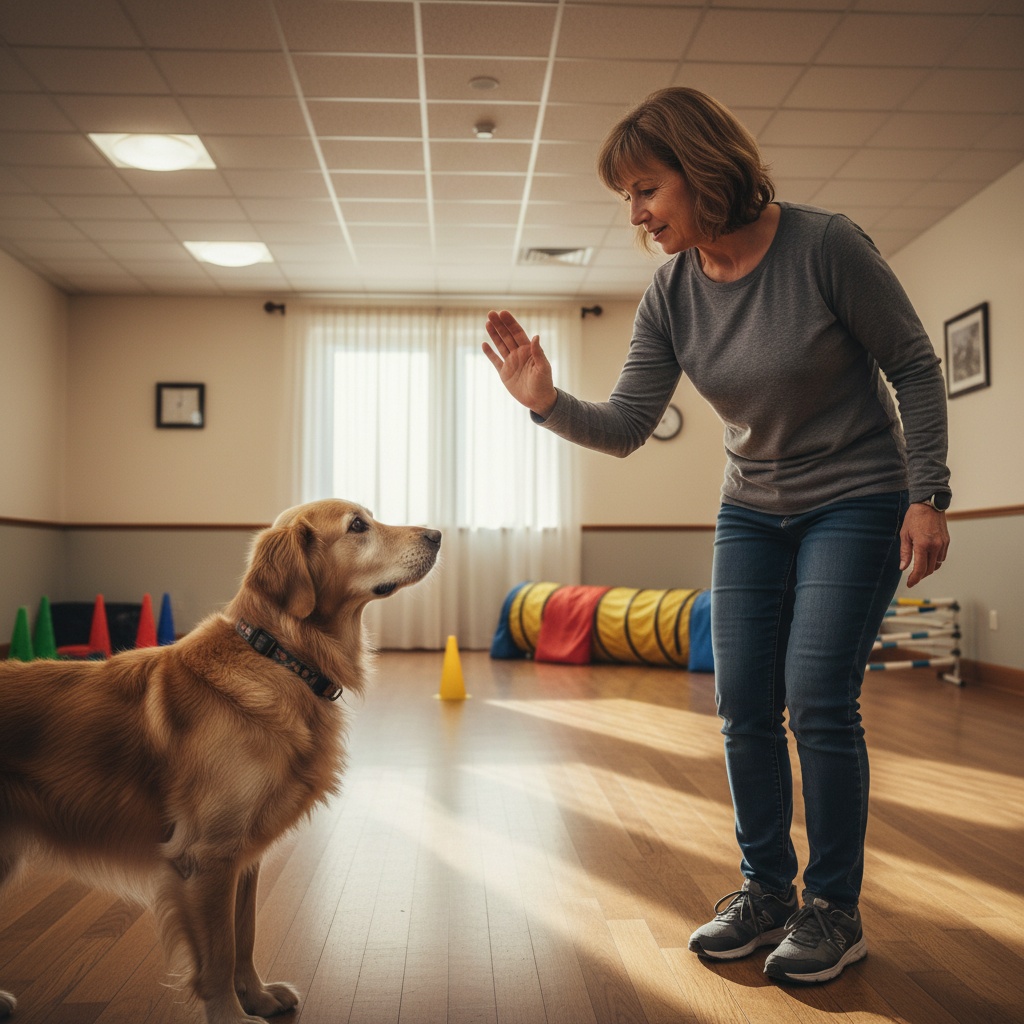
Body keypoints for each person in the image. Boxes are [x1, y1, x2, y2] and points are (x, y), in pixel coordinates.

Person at [482, 87, 951, 985]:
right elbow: (625, 424)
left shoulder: (825, 245)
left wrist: (927, 492)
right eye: (626, 197)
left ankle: (834, 911)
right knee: (741, 702)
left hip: (857, 495)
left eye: (645, 188)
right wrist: (544, 403)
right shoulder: (671, 293)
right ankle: (766, 891)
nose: (637, 213)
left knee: (816, 695)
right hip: (752, 508)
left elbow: (915, 368)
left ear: (702, 172)